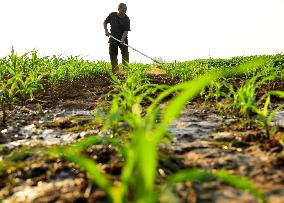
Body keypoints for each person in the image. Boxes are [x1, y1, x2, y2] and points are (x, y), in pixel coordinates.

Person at [103, 3, 131, 73]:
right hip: (113, 39)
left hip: (123, 39)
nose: (124, 12)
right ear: (119, 9)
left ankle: (126, 71)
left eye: (125, 11)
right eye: (123, 10)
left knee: (125, 55)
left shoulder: (127, 19)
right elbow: (105, 22)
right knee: (113, 55)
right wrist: (106, 31)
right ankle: (115, 71)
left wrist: (122, 39)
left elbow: (126, 31)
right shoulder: (112, 15)